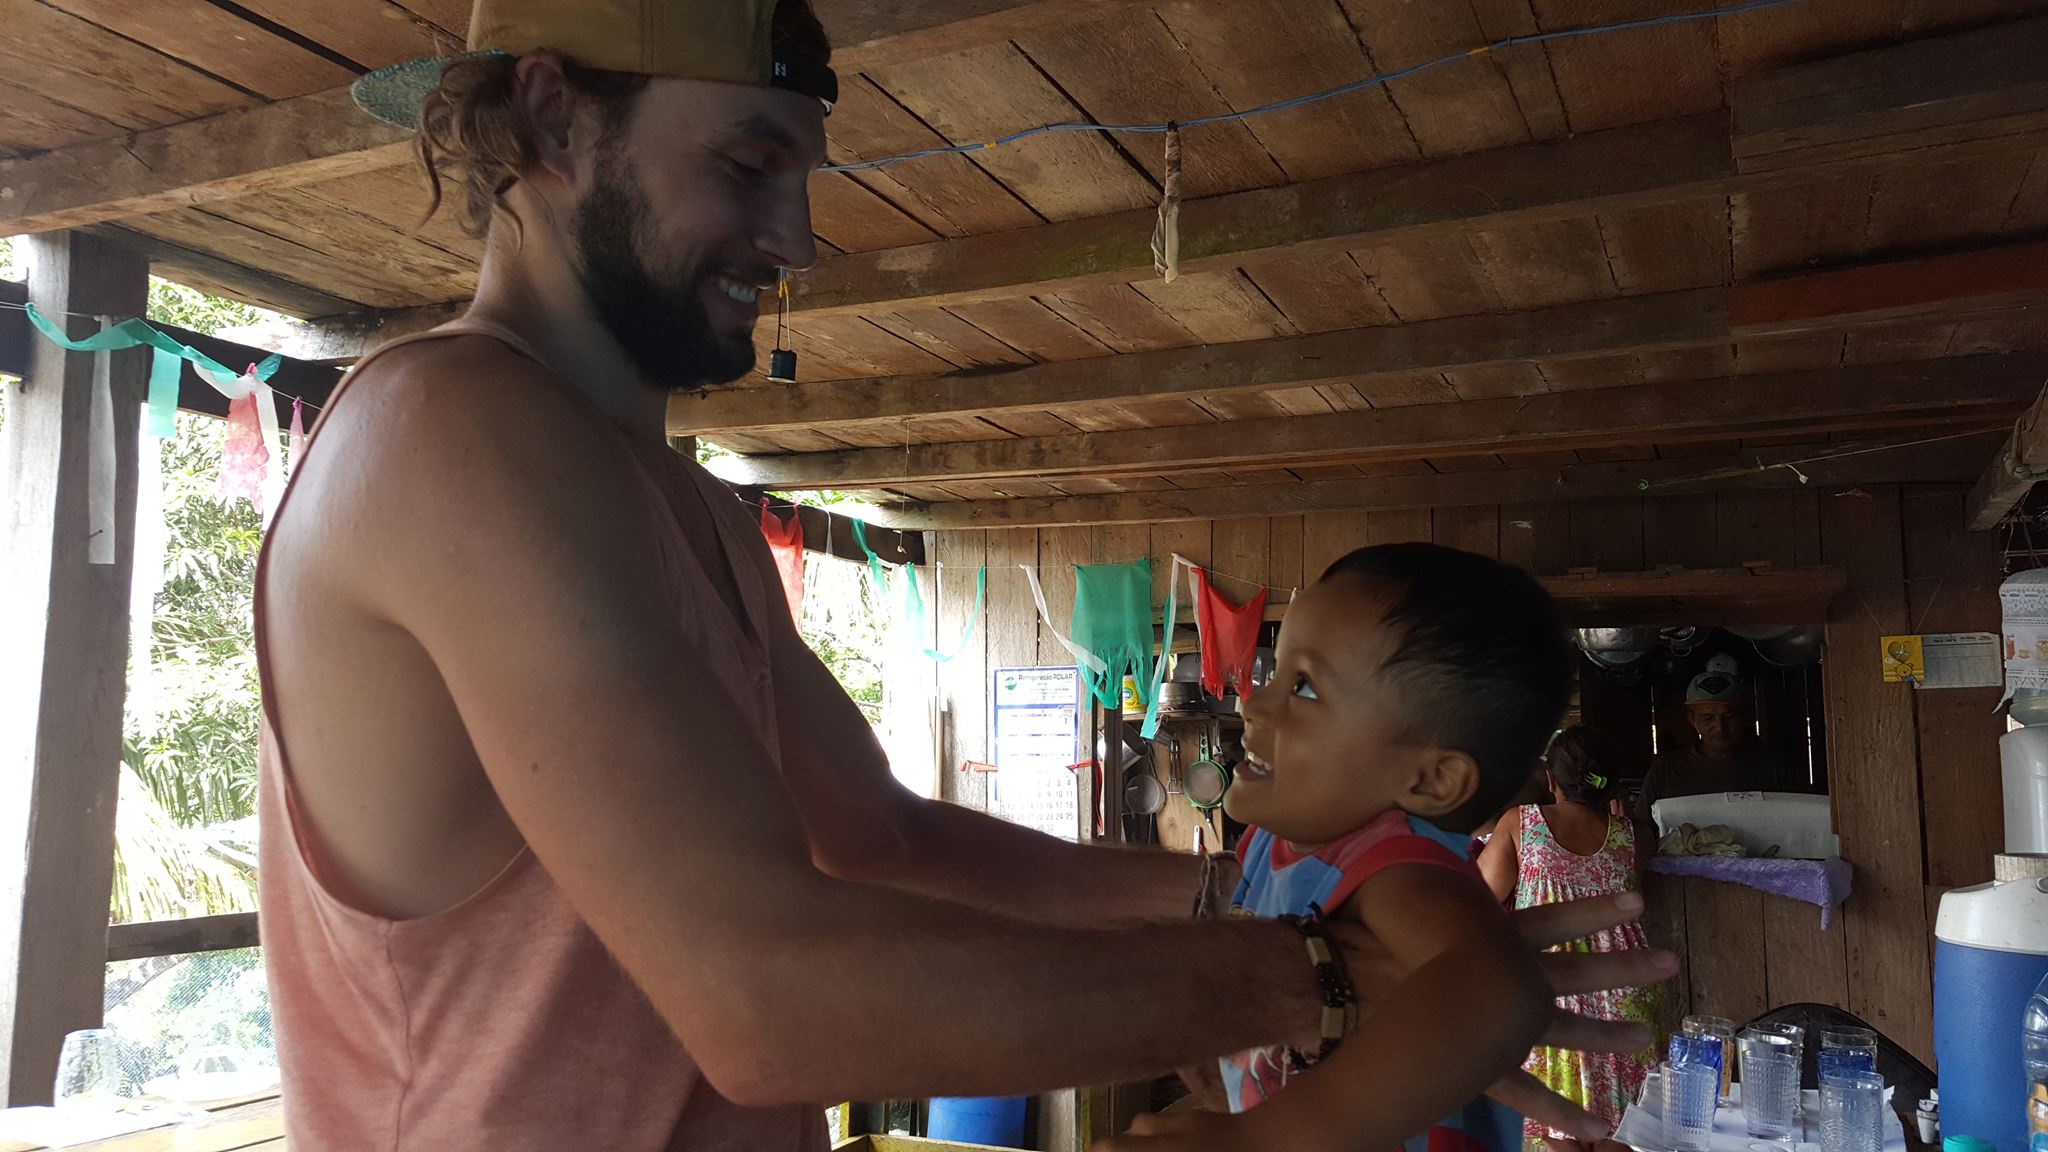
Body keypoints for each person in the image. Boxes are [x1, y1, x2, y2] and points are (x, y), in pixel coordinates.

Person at [252, 2, 1672, 1148]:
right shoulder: (448, 427)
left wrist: (1287, 905)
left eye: (802, 179)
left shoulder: (690, 515)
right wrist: (1329, 975)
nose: (795, 239)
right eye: (747, 165)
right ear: (554, 117)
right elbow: (764, 1002)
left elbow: (884, 840)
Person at [1106, 544, 1569, 1152]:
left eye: (1303, 688)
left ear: (1431, 780)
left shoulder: (1397, 865)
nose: (1252, 703)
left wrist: (1259, 1138)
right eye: (1276, 675)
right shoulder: (1272, 844)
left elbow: (1500, 990)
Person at [1480, 727, 1667, 1148]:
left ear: (1551, 779)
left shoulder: (1521, 824)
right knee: (1623, 1124)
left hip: (1554, 989)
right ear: (1609, 782)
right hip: (1625, 992)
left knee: (1557, 1122)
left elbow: (1482, 896)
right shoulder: (1634, 835)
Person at [1632, 653, 1779, 828]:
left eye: (1729, 717)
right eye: (1708, 719)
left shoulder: (1773, 767)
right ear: (1692, 719)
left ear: (1745, 715)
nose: (1720, 728)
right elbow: (1640, 831)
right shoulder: (1666, 770)